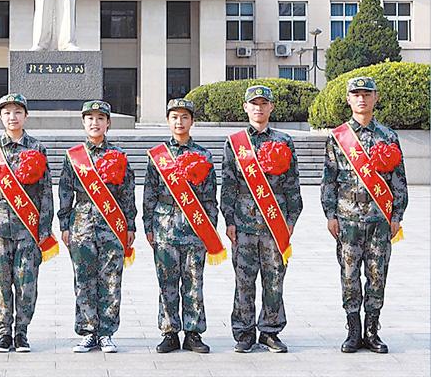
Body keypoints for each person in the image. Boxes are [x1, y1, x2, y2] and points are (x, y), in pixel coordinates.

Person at [320, 77, 408, 354]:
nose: (361, 99)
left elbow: (398, 180)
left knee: (377, 274)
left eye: (366, 94)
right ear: (348, 99)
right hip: (347, 219)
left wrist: (397, 215)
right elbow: (329, 180)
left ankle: (372, 330)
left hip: (380, 219)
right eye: (356, 94)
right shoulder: (338, 137)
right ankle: (353, 330)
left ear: (375, 98)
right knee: (349, 275)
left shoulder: (388, 136)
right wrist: (330, 214)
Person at [221, 85, 302, 353]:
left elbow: (292, 184)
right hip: (243, 224)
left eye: (263, 103)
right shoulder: (235, 143)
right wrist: (229, 220)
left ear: (271, 107)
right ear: (245, 107)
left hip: (274, 222)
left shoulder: (283, 141)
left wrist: (291, 220)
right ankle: (244, 332)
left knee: (274, 279)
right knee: (243, 280)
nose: (258, 108)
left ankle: (270, 331)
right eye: (253, 103)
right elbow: (229, 184)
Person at [0, 93, 56, 353]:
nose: (12, 117)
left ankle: (22, 332)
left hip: (28, 227)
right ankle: (3, 331)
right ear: (0, 117)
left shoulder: (37, 148)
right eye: (7, 112)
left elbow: (45, 191)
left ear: (26, 116)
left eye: (17, 112)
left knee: (26, 281)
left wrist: (43, 227)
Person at [143, 99, 223, 354]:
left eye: (184, 117)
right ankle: (169, 332)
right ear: (168, 121)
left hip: (195, 227)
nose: (179, 122)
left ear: (192, 121)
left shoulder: (203, 154)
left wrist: (210, 228)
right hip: (164, 225)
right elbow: (149, 194)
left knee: (194, 281)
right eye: (175, 117)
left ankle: (193, 333)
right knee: (166, 281)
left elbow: (210, 196)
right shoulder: (157, 156)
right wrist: (148, 225)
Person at [58, 100, 136, 353]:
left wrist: (130, 225)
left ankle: (106, 333)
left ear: (108, 123)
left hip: (112, 226)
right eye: (90, 118)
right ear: (83, 123)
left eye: (100, 118)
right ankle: (88, 331)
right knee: (83, 279)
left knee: (111, 280)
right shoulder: (74, 157)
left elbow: (127, 194)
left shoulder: (119, 156)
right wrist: (65, 224)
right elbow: (65, 191)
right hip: (81, 225)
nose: (95, 123)